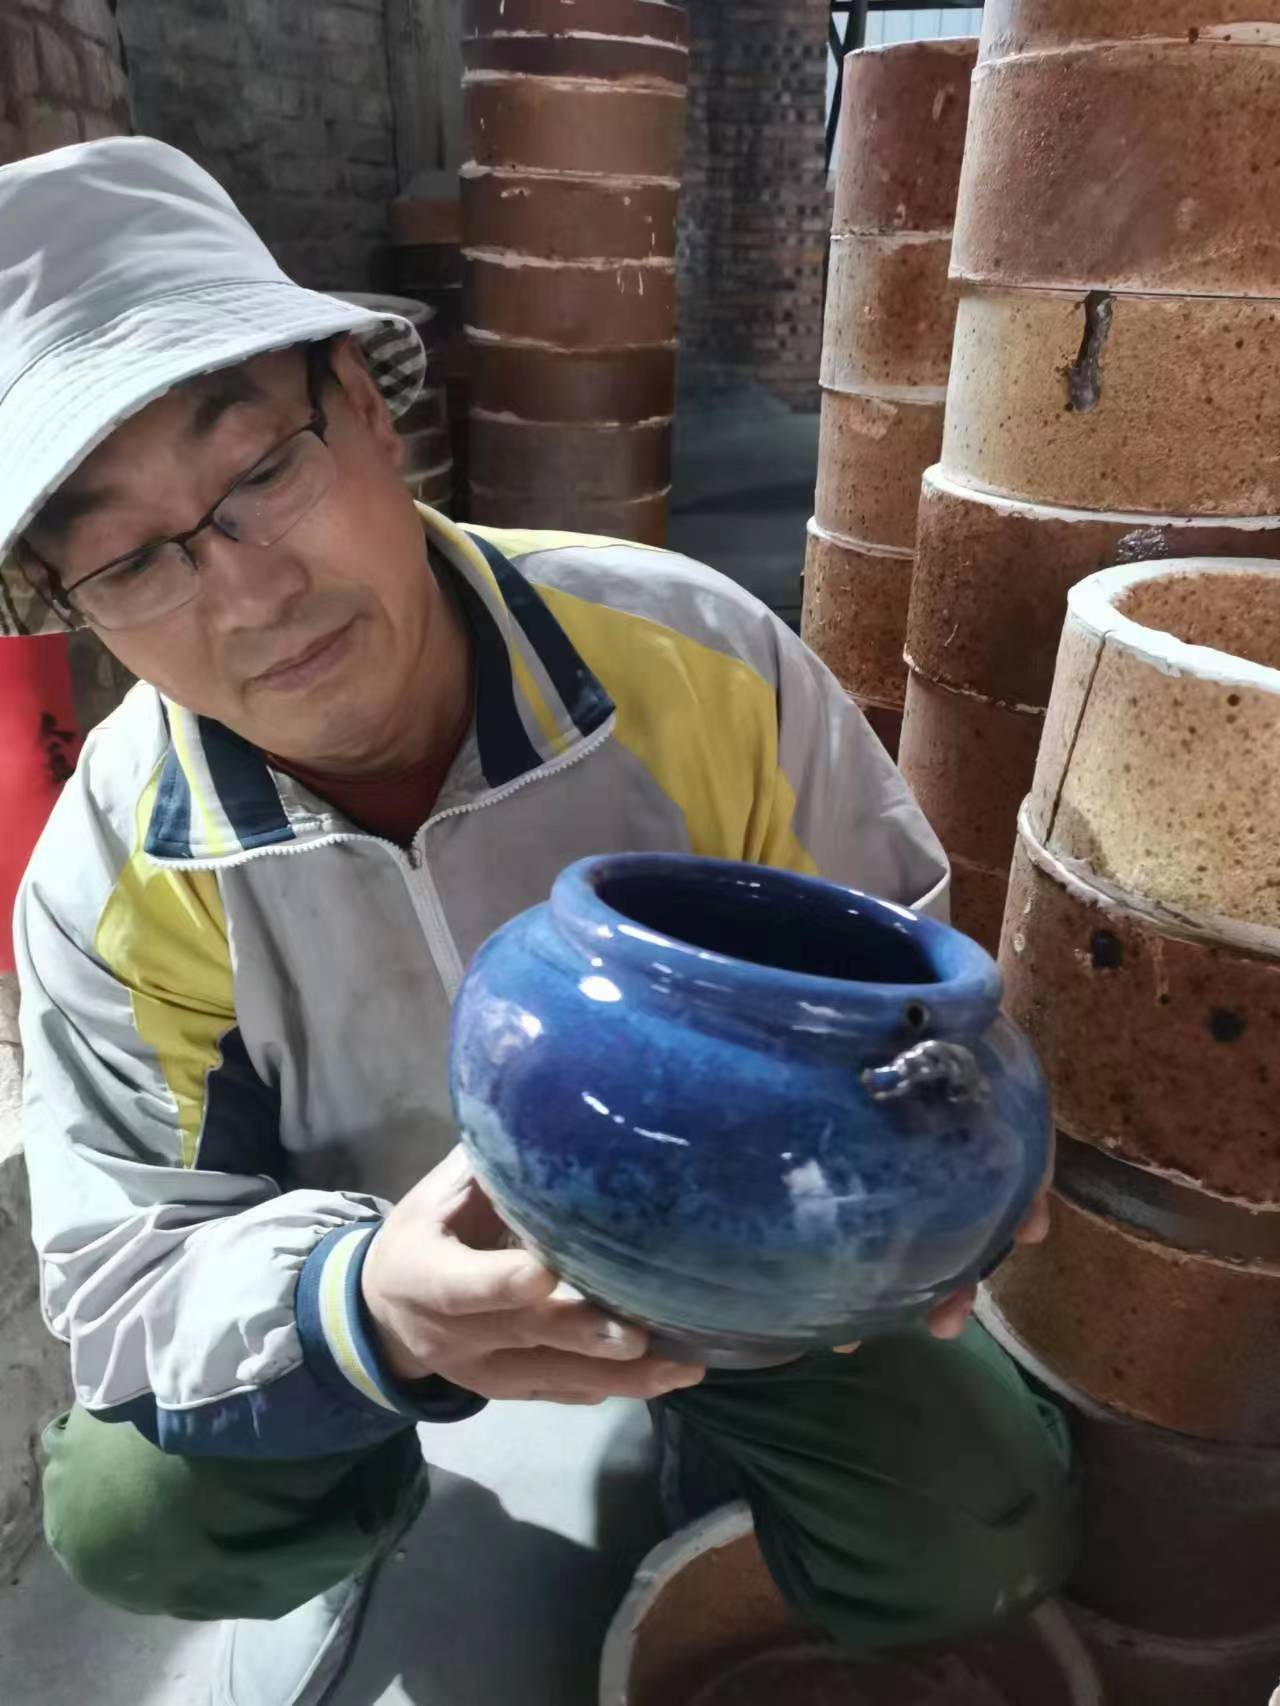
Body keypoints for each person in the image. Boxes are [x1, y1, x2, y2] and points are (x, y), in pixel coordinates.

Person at [2, 138, 1071, 1706]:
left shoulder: (698, 659)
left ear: (368, 405)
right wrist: (365, 1309)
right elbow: (120, 1278)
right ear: (74, 603)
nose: (246, 594)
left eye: (260, 472)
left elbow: (898, 973)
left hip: (731, 1262)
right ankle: (368, 1501)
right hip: (382, 1295)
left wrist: (939, 1161)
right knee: (132, 1507)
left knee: (976, 1526)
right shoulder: (111, 872)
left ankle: (715, 1448)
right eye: (132, 558)